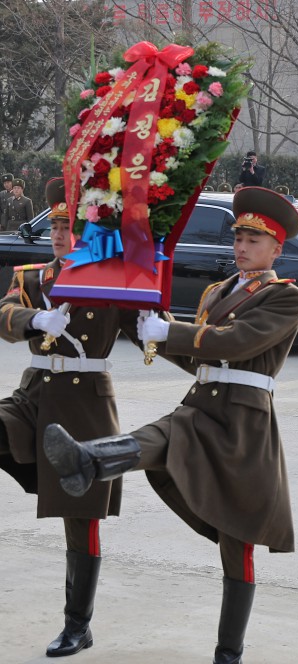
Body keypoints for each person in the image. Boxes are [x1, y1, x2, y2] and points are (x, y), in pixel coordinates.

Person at [43, 186, 298, 662]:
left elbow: (238, 342)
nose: (241, 246)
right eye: (239, 237)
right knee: (160, 436)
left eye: (253, 239)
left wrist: (174, 331)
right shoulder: (216, 291)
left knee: (237, 544)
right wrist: (153, 330)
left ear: (276, 249)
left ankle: (228, 654)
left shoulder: (286, 299)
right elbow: (198, 359)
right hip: (201, 406)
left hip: (243, 424)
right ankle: (87, 459)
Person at [0, 179, 137, 657]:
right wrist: (33, 320)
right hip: (35, 395)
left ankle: (78, 626)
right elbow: (5, 314)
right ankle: (34, 471)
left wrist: (198, 352)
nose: (60, 234)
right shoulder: (33, 278)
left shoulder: (110, 279)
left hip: (86, 407)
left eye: (70, 226)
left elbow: (149, 332)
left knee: (82, 518)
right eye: (56, 225)